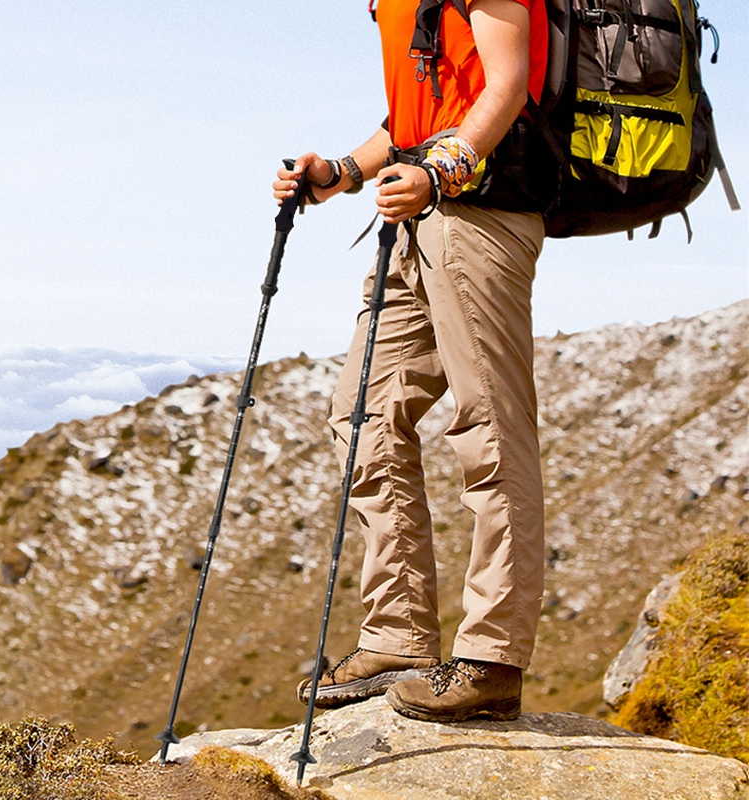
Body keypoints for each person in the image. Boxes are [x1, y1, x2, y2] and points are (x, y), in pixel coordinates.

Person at [273, 0, 548, 723]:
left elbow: (507, 84)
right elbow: (415, 113)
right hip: (414, 214)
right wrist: (341, 171)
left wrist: (441, 171)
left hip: (481, 213)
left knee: (489, 425)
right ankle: (398, 638)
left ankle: (492, 659)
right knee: (361, 414)